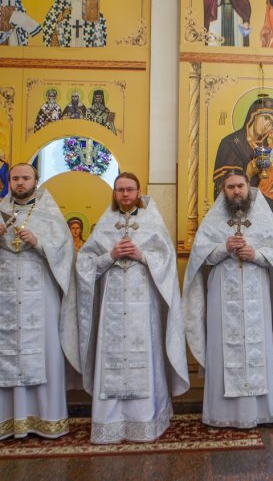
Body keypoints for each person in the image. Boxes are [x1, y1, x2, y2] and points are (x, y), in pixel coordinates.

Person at [76, 172, 189, 444]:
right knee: (110, 356)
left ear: (139, 192)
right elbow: (85, 264)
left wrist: (142, 255)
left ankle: (146, 420)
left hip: (144, 306)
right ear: (114, 193)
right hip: (111, 309)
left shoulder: (152, 221)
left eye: (129, 189)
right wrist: (110, 255)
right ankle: (109, 422)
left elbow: (166, 260)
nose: (125, 194)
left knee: (146, 354)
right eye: (120, 190)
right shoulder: (105, 224)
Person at [182, 170, 273, 428]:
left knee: (258, 344)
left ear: (248, 188)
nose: (236, 191)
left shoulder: (263, 218)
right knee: (222, 346)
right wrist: (224, 248)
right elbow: (201, 259)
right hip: (221, 292)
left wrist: (256, 254)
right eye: (230, 187)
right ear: (223, 191)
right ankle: (222, 414)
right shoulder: (214, 220)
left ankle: (259, 412)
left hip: (256, 291)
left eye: (240, 186)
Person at [0, 163, 78, 440]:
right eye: (15, 178)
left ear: (36, 180)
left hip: (41, 296)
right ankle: (7, 419)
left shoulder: (48, 213)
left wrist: (38, 241)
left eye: (26, 178)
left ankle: (46, 418)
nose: (20, 183)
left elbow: (66, 252)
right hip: (5, 297)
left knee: (46, 350)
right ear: (9, 181)